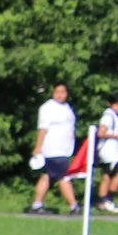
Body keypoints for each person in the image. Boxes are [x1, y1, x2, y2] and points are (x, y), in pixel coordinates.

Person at [27, 83, 79, 216]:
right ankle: (73, 205)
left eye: (63, 92)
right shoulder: (48, 108)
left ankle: (37, 205)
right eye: (57, 92)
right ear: (53, 93)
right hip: (53, 149)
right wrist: (38, 147)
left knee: (46, 177)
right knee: (63, 177)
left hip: (64, 149)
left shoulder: (67, 108)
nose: (60, 95)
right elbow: (42, 129)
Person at [94, 97, 118, 213]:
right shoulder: (108, 117)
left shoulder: (115, 117)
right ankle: (108, 199)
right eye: (117, 104)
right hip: (108, 151)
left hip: (111, 151)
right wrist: (117, 136)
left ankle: (101, 202)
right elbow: (101, 133)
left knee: (107, 176)